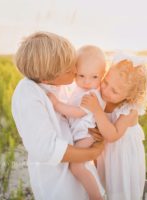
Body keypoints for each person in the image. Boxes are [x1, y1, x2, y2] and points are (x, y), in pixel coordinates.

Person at [11, 31, 104, 200]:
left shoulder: (61, 84)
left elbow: (77, 114)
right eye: (70, 70)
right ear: (46, 78)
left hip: (81, 171)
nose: (76, 70)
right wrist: (92, 153)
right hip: (59, 186)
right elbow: (47, 149)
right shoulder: (28, 94)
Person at [81, 54, 147, 200]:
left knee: (119, 187)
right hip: (106, 153)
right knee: (104, 182)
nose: (106, 91)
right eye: (105, 82)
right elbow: (95, 123)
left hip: (122, 156)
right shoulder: (101, 97)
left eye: (114, 91)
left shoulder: (129, 110)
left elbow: (113, 135)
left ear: (130, 96)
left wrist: (97, 110)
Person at [47, 45, 106, 200]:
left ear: (102, 76)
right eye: (81, 75)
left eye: (94, 77)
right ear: (74, 72)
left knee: (76, 166)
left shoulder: (92, 94)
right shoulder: (79, 90)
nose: (87, 81)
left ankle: (96, 197)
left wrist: (57, 105)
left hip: (86, 135)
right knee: (89, 166)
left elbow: (78, 112)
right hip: (81, 133)